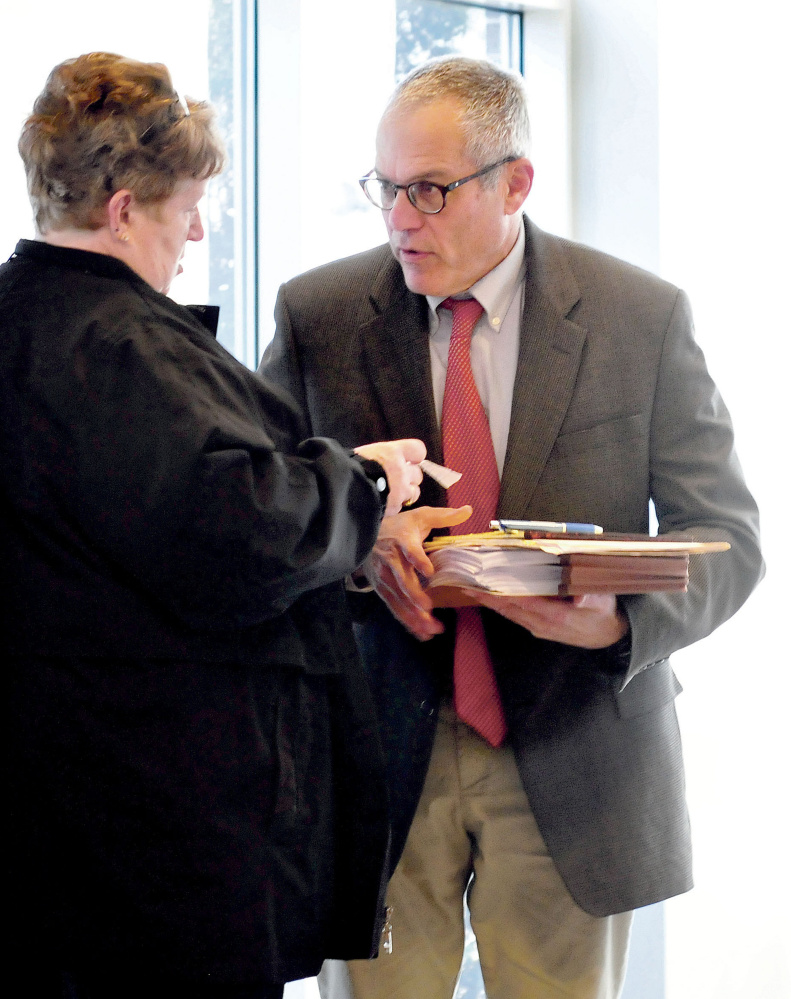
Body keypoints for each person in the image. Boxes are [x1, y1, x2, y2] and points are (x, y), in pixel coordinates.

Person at [259, 56, 764, 999]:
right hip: (377, 751)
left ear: (514, 183)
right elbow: (261, 523)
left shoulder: (637, 316)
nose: (400, 218)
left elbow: (726, 536)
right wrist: (362, 551)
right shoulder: (317, 313)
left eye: (429, 191)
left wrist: (618, 622)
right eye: (385, 188)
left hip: (576, 742)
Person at [0, 52, 428, 999]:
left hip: (82, 809)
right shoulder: (113, 341)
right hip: (157, 827)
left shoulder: (8, 319)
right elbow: (233, 532)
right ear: (126, 206)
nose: (199, 231)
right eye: (185, 209)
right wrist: (365, 487)